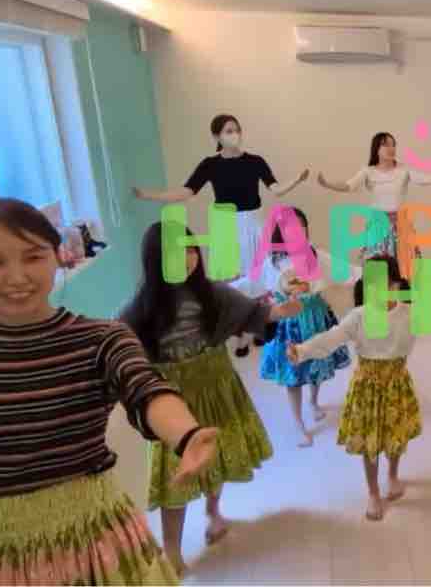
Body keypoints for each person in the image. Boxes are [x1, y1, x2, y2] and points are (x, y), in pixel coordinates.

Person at [0, 199, 218, 584]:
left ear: (58, 254)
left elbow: (145, 387)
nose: (17, 277)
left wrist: (186, 434)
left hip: (96, 537)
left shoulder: (103, 339)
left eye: (33, 257)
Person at [120, 221, 302, 574]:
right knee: (176, 476)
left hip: (217, 385)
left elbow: (252, 313)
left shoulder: (212, 294)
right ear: (156, 260)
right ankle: (171, 548)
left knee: (216, 453)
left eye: (190, 249)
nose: (187, 258)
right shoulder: (141, 308)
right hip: (172, 401)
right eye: (175, 253)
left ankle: (213, 511)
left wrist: (280, 311)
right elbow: (120, 345)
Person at [289, 256, 431, 521]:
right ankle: (373, 492)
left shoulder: (410, 313)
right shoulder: (358, 317)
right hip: (367, 389)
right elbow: (330, 339)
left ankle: (393, 476)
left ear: (397, 285)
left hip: (397, 386)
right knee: (370, 445)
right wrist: (301, 351)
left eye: (388, 284)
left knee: (396, 437)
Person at [132, 113, 310, 356]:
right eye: (228, 130)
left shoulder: (255, 161)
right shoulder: (210, 165)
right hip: (227, 225)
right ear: (217, 136)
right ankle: (240, 335)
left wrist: (296, 180)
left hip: (253, 222)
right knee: (234, 281)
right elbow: (186, 191)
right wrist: (150, 195)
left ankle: (259, 327)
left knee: (259, 275)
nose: (234, 134)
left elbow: (276, 189)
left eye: (236, 129)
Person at [258, 207, 353, 447]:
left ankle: (313, 401)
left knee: (317, 365)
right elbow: (256, 285)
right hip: (289, 324)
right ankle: (298, 422)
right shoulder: (272, 262)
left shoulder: (316, 255)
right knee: (293, 376)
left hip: (316, 318)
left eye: (301, 226)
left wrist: (376, 272)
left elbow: (347, 271)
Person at [317, 132, 431, 261]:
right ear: (377, 149)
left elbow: (426, 179)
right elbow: (348, 185)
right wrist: (327, 184)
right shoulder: (368, 171)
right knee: (378, 270)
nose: (391, 148)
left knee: (404, 268)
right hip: (377, 226)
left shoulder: (403, 169)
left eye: (393, 145)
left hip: (401, 226)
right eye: (386, 145)